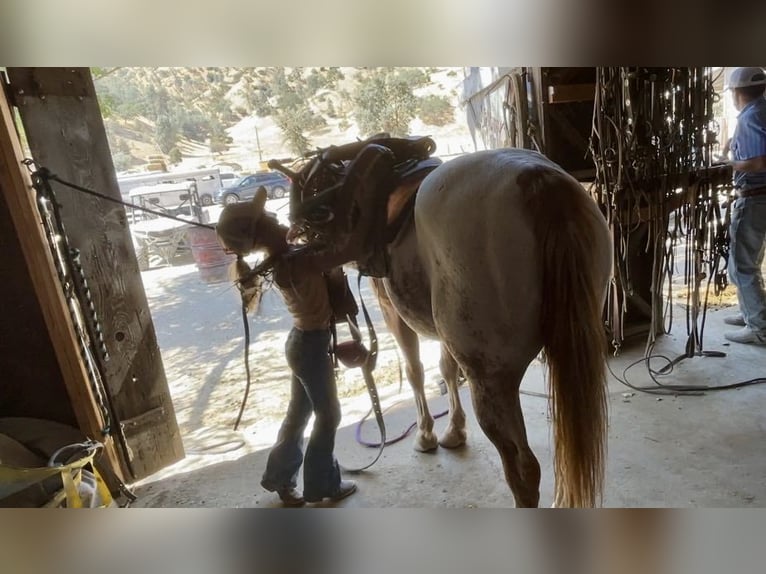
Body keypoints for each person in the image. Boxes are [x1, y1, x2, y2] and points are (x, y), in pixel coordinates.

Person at [215, 145, 394, 506]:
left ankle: (281, 479)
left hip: (303, 344)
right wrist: (363, 190)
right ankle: (322, 484)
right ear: (263, 232)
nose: (279, 220)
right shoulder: (298, 263)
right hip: (310, 346)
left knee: (299, 415)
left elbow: (301, 244)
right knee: (329, 414)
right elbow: (352, 246)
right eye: (270, 220)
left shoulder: (287, 259)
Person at [721, 67, 766, 345]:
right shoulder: (762, 111)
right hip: (763, 197)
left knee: (741, 265)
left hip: (754, 195)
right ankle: (751, 311)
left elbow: (759, 161)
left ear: (736, 92)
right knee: (751, 260)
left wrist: (730, 164)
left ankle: (758, 326)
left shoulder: (750, 117)